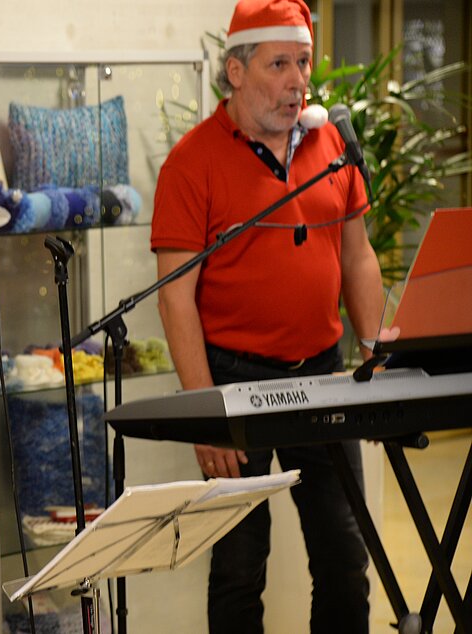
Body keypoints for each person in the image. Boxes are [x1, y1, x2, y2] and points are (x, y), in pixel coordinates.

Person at [151, 1, 384, 632]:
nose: (296, 79)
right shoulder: (190, 162)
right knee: (237, 567)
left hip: (323, 374)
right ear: (235, 70)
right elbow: (175, 295)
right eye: (278, 63)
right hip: (232, 383)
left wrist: (376, 353)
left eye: (303, 62)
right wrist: (203, 412)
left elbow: (359, 256)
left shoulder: (332, 143)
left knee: (344, 555)